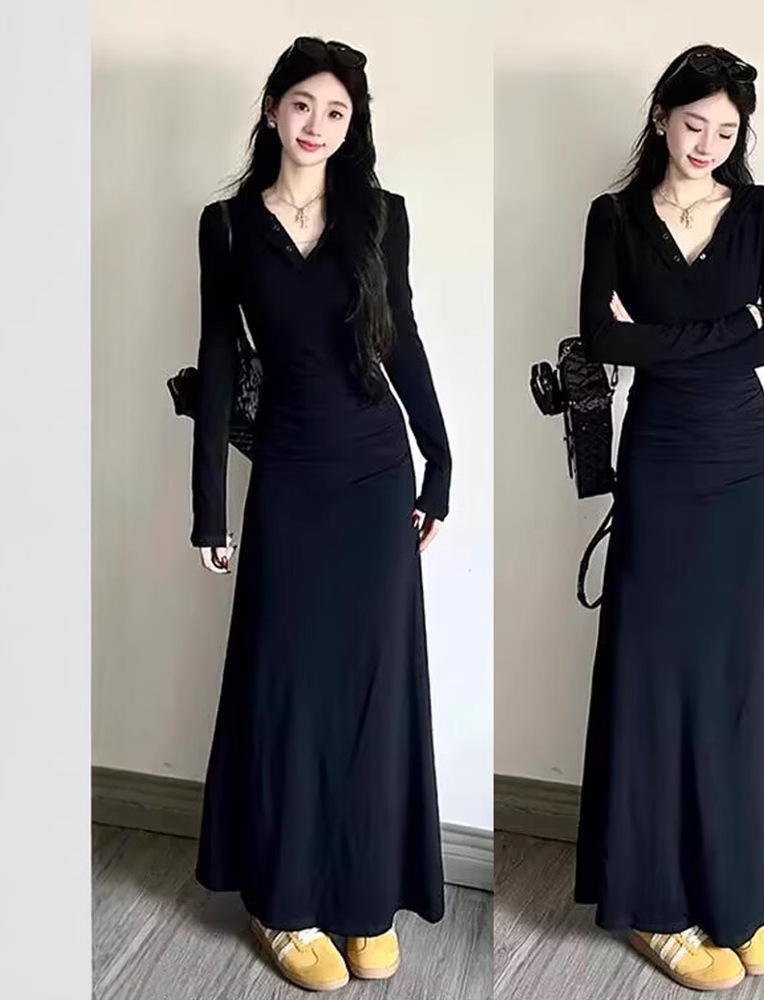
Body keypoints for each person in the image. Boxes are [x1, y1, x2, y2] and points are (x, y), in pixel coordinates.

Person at [189, 36, 451, 992]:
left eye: (336, 112)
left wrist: (441, 458)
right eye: (303, 104)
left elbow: (403, 338)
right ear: (272, 108)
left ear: (352, 126)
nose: (316, 125)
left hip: (377, 470)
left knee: (374, 688)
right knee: (288, 688)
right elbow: (220, 361)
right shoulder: (226, 227)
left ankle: (362, 894)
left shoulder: (382, 216)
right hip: (290, 474)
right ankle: (282, 901)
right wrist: (209, 507)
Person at [573, 44, 764, 993]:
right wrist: (727, 330)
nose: (708, 143)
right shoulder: (614, 217)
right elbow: (600, 335)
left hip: (742, 461)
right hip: (660, 458)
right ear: (662, 118)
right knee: (655, 675)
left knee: (741, 675)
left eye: (726, 130)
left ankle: (738, 887)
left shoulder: (763, 212)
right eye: (694, 123)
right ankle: (654, 905)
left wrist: (661, 340)